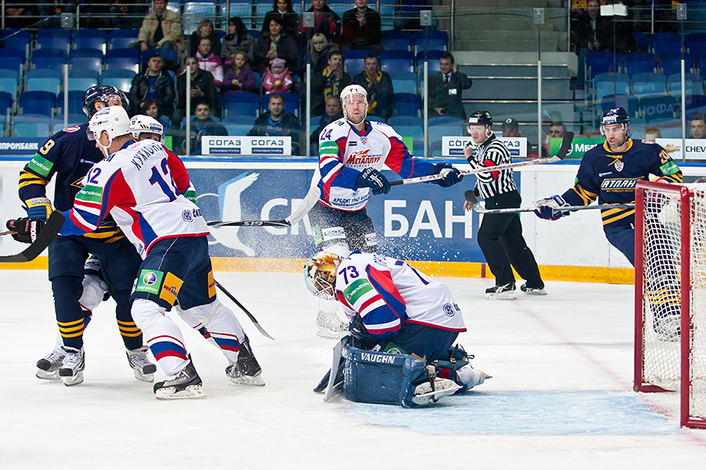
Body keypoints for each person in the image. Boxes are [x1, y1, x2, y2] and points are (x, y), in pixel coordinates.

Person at [57, 105, 265, 399]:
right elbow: (181, 182)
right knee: (201, 307)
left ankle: (182, 375)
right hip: (194, 236)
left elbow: (83, 220)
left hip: (166, 242)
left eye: (96, 136)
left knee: (144, 307)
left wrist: (43, 226)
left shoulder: (108, 168)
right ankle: (245, 365)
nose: (94, 143)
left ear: (106, 135)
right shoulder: (154, 149)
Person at [9, 85, 155, 386]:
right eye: (112, 102)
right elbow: (32, 175)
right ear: (97, 107)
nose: (119, 106)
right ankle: (71, 350)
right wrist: (39, 213)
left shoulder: (136, 145)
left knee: (128, 295)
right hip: (69, 230)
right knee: (64, 289)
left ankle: (135, 349)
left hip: (116, 235)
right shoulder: (67, 139)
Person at [308, 84, 463, 337]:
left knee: (367, 261)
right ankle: (325, 316)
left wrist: (438, 172)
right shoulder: (332, 131)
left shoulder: (384, 133)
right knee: (334, 259)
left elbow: (406, 165)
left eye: (360, 101)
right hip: (325, 206)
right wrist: (362, 177)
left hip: (357, 209)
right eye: (350, 102)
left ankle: (357, 314)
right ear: (343, 107)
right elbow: (329, 170)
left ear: (367, 105)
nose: (355, 106)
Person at [305, 251, 490, 406]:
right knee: (373, 353)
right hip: (441, 322)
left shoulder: (347, 274)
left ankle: (426, 379)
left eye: (319, 282)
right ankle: (452, 366)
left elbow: (387, 317)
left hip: (425, 322)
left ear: (328, 273)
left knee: (372, 370)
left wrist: (366, 342)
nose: (322, 289)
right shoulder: (357, 262)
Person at [535, 107, 683, 267]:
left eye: (615, 129)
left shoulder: (648, 150)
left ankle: (667, 283)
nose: (611, 135)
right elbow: (584, 191)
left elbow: (674, 176)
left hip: (646, 218)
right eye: (607, 129)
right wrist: (558, 204)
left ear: (625, 128)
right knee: (647, 261)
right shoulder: (593, 157)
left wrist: (655, 198)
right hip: (617, 224)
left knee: (665, 264)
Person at [463, 110, 546, 299]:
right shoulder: (483, 147)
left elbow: (487, 175)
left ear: (488, 128)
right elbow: (483, 177)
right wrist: (475, 193)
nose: (474, 132)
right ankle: (535, 283)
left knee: (486, 237)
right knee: (513, 242)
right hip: (503, 198)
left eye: (478, 128)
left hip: (502, 200)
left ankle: (505, 283)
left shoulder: (495, 148)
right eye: (471, 128)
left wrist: (469, 158)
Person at [573, 0, 612, 88]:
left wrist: (601, 43)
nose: (592, 9)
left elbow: (609, 36)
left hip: (601, 47)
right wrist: (587, 42)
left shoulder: (604, 19)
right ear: (587, 7)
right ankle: (580, 83)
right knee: (583, 55)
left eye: (595, 6)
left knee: (608, 53)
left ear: (599, 7)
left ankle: (605, 82)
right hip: (586, 46)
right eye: (590, 6)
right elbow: (577, 36)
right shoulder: (581, 19)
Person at [129, 52, 176, 119]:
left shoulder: (166, 78)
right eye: (154, 61)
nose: (156, 63)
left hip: (160, 109)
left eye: (159, 62)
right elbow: (132, 95)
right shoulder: (139, 78)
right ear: (149, 63)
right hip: (141, 108)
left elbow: (169, 96)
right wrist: (141, 104)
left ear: (162, 64)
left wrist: (156, 106)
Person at [428, 52, 472, 121]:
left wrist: (456, 72)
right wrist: (435, 108)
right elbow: (429, 97)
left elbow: (467, 84)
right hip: (438, 114)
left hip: (456, 114)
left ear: (452, 65)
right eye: (441, 64)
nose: (443, 67)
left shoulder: (459, 77)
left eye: (446, 64)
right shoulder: (433, 79)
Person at [174, 55, 217, 124]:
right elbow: (180, 100)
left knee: (213, 114)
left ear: (198, 65)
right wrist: (189, 95)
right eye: (188, 64)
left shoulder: (207, 75)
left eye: (193, 63)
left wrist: (201, 94)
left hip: (204, 106)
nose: (191, 66)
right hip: (187, 107)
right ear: (184, 66)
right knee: (176, 116)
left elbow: (213, 97)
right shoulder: (181, 78)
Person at [352, 53, 394, 120]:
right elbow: (358, 97)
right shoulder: (358, 78)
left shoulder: (385, 76)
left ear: (378, 65)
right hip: (364, 109)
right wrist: (370, 85)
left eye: (374, 64)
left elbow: (388, 95)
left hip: (382, 109)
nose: (371, 66)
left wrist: (376, 84)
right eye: (368, 64)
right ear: (365, 65)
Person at [311, 49, 351, 116]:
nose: (337, 62)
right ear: (329, 61)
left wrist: (341, 79)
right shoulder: (320, 74)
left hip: (340, 109)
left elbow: (347, 94)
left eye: (340, 60)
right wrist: (325, 77)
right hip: (320, 107)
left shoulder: (345, 76)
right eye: (335, 59)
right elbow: (314, 88)